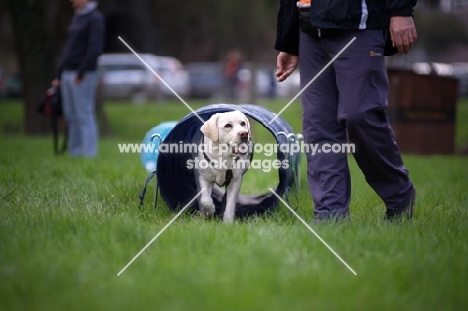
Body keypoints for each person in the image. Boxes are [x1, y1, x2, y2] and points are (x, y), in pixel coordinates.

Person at [275, 0, 417, 222]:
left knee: (360, 116)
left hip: (358, 23)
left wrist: (401, 10)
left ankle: (399, 193)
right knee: (318, 124)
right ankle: (330, 213)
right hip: (309, 26)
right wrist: (290, 40)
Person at [52, 0, 104, 157]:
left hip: (82, 75)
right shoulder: (77, 17)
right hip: (68, 73)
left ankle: (89, 155)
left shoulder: (95, 18)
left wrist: (81, 72)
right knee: (71, 116)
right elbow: (69, 50)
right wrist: (59, 75)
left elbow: (94, 49)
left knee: (84, 115)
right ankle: (75, 154)